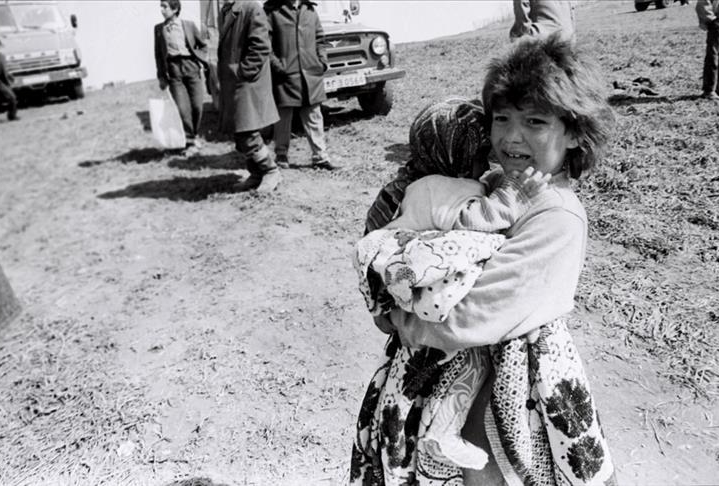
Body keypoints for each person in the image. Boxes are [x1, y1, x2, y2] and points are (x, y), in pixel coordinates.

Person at [350, 35, 616, 486]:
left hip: (503, 387)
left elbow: (471, 314)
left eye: (535, 121)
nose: (511, 137)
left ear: (574, 132)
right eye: (501, 118)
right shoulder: (493, 186)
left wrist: (397, 317)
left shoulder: (557, 217)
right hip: (446, 370)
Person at [355, 161, 551, 470]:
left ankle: (428, 433)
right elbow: (470, 221)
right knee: (474, 356)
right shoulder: (453, 185)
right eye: (478, 154)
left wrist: (384, 306)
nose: (484, 163)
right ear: (456, 153)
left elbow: (374, 228)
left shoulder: (403, 185)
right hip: (433, 288)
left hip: (401, 282)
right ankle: (445, 429)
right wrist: (515, 198)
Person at [264, 0, 339, 170]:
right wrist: (278, 66)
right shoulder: (273, 11)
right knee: (283, 117)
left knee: (314, 114)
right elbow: (266, 44)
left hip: (310, 74)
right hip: (285, 75)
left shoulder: (310, 10)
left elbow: (320, 39)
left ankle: (320, 157)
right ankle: (281, 155)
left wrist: (322, 62)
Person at [217, 0, 282, 193]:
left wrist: (241, 72)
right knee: (240, 132)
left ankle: (271, 171)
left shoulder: (251, 8)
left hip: (248, 83)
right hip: (235, 83)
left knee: (247, 133)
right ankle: (256, 174)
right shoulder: (226, 11)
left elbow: (261, 46)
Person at [154, 0, 209, 152]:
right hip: (174, 72)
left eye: (165, 7)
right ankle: (190, 142)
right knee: (183, 109)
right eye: (161, 7)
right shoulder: (158, 29)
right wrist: (161, 76)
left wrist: (200, 58)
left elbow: (203, 45)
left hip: (191, 67)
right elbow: (158, 55)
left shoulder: (189, 25)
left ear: (175, 9)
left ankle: (194, 135)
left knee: (197, 106)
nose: (162, 10)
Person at [509, 0, 577, 43]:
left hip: (544, 42)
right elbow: (571, 13)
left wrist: (521, 34)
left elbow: (521, 6)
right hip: (568, 40)